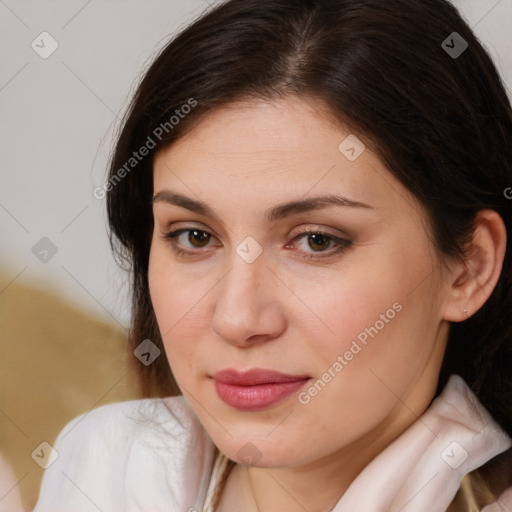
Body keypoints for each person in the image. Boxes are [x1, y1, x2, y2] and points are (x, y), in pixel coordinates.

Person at [7, 0, 512, 510]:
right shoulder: (104, 468)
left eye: (317, 240)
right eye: (195, 237)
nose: (237, 318)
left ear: (469, 267)